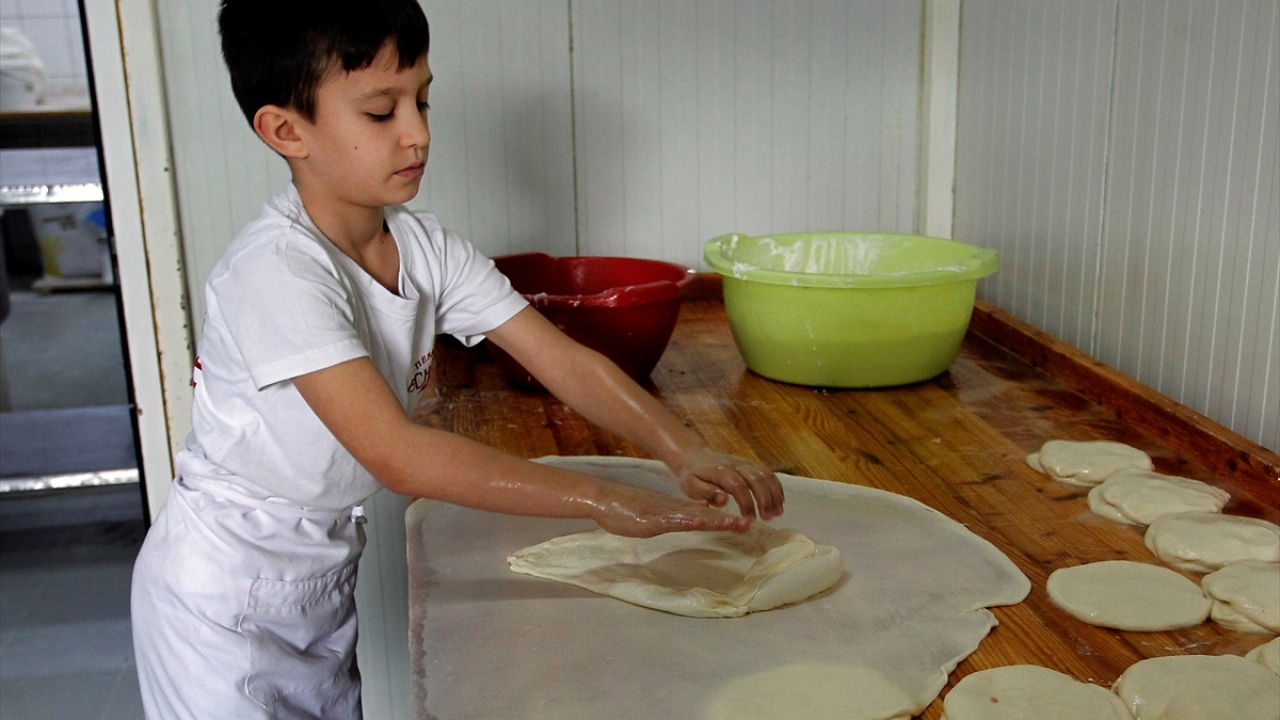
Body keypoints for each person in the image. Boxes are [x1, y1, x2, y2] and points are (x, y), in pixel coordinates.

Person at [130, 1, 785, 718]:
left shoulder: (424, 248)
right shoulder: (275, 271)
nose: (417, 133)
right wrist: (602, 500)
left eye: (423, 101)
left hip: (317, 576)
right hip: (219, 601)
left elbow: (564, 361)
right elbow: (398, 455)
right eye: (381, 112)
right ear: (286, 130)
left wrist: (682, 450)